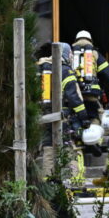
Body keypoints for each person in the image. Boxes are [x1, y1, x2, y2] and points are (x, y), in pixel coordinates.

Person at [36, 41, 91, 188]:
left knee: (48, 149)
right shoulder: (65, 70)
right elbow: (73, 96)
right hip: (63, 117)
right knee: (70, 149)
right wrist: (84, 117)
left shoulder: (41, 68)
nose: (72, 56)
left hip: (44, 117)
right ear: (65, 54)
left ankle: (48, 185)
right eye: (70, 54)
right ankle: (77, 183)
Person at [71, 30, 109, 120]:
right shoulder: (95, 53)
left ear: (76, 40)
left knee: (74, 117)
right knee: (95, 117)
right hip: (92, 93)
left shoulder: (70, 53)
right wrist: (103, 88)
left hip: (74, 93)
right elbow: (108, 74)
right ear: (90, 40)